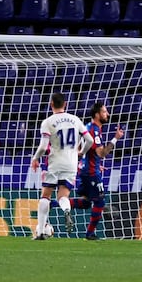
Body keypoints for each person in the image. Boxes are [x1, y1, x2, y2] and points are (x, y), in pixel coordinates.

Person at [31, 92, 93, 240]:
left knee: (45, 195)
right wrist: (81, 153)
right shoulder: (75, 119)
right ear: (65, 104)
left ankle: (40, 232)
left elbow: (43, 146)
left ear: (51, 104)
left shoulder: (48, 122)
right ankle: (66, 209)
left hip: (55, 163)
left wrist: (35, 158)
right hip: (71, 164)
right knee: (63, 196)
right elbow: (89, 140)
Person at [73, 102, 124, 240]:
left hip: (87, 169)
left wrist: (89, 163)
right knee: (100, 202)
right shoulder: (94, 130)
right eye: (104, 112)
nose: (107, 114)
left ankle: (53, 204)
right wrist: (115, 138)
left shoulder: (89, 128)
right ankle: (90, 234)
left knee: (85, 202)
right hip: (90, 172)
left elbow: (80, 150)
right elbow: (102, 153)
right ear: (97, 114)